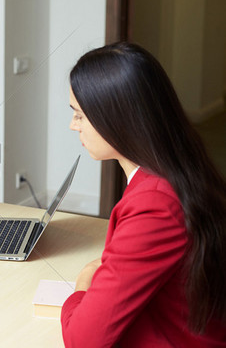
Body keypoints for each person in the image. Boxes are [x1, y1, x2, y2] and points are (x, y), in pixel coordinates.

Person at [62, 42, 226, 347]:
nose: (73, 126)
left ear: (116, 117)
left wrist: (83, 284)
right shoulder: (175, 169)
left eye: (80, 115)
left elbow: (82, 340)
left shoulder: (156, 204)